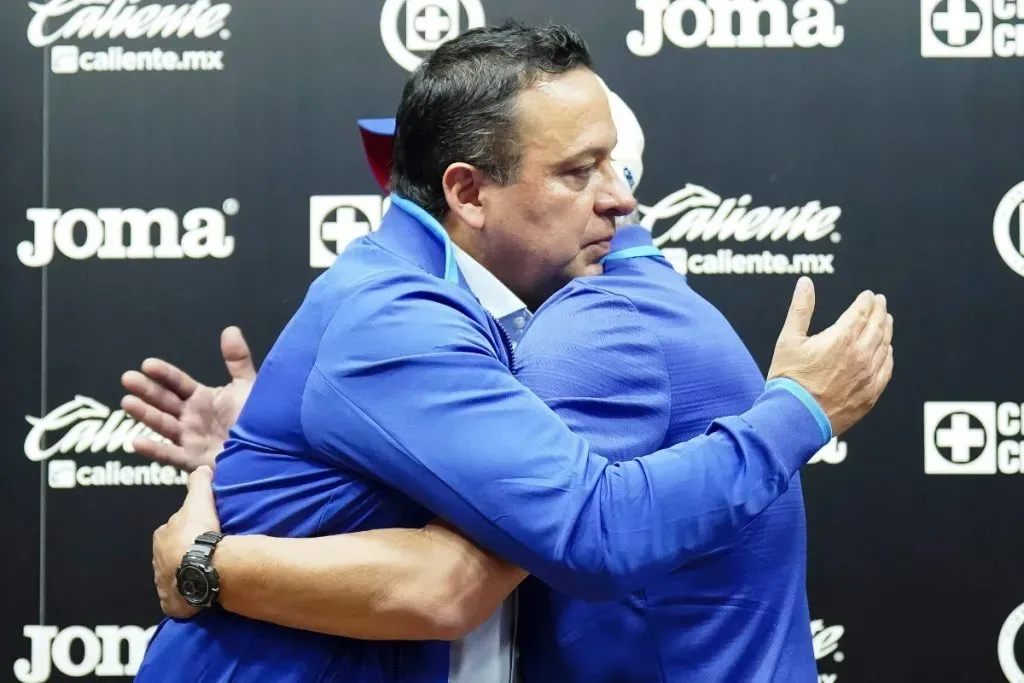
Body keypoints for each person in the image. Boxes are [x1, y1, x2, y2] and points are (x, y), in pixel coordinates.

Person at [128, 21, 892, 683]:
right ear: (465, 194)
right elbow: (572, 535)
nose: (621, 203)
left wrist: (217, 548)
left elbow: (466, 571)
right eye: (576, 171)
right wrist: (799, 411)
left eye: (611, 166)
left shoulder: (549, 313)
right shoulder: (400, 317)